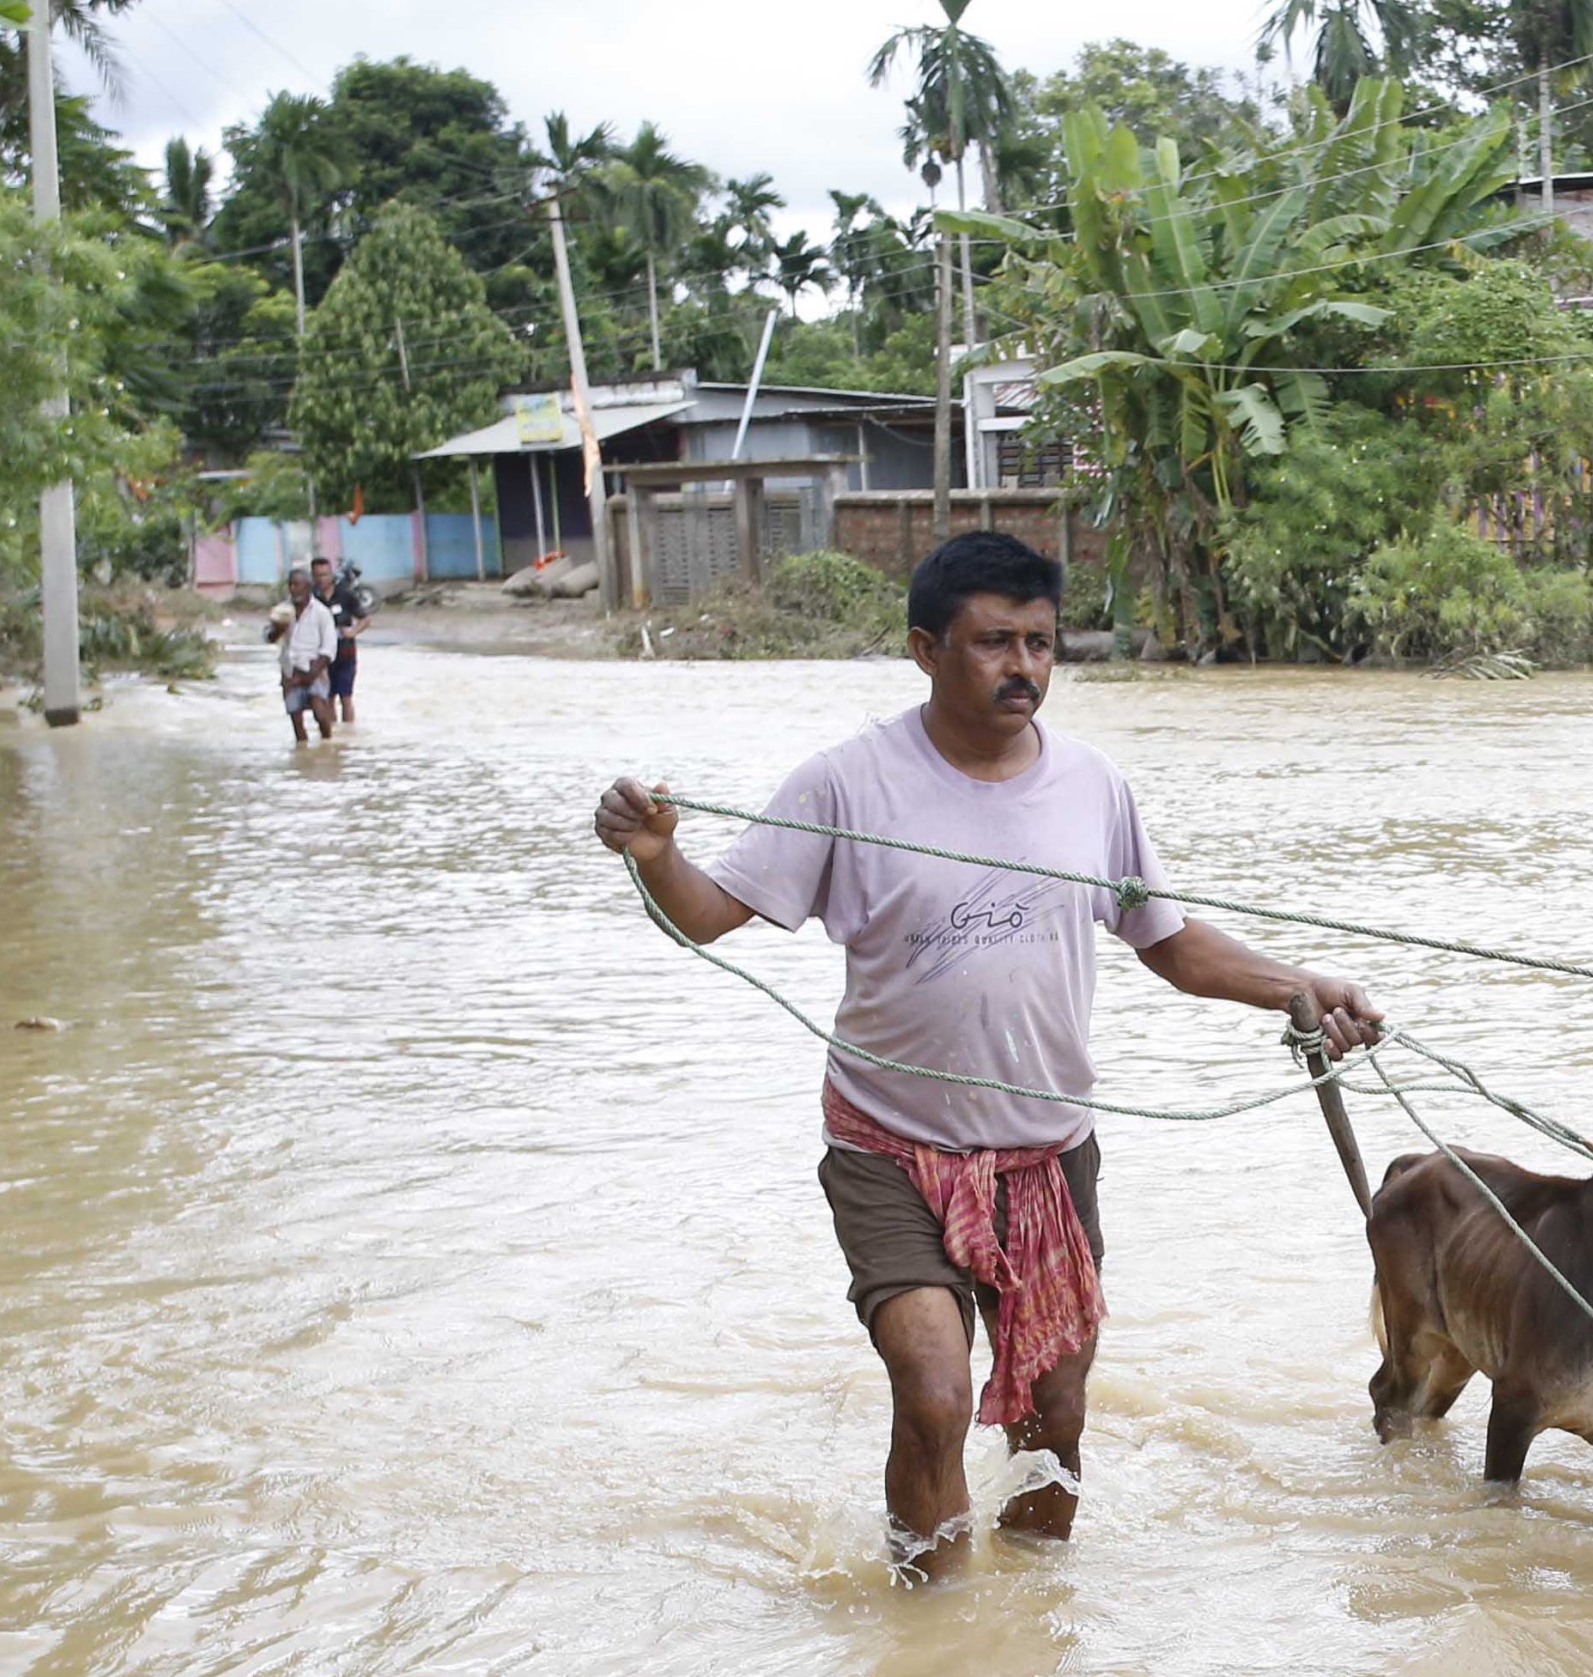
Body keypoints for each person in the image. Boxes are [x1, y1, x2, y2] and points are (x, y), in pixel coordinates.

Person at [592, 530, 1384, 1583]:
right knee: (932, 1391)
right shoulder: (844, 782)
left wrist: (1298, 986)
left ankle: (1031, 1627)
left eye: (1042, 643)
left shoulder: (1093, 787)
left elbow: (1173, 944)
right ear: (924, 648)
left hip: (1046, 1153)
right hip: (890, 1146)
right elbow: (710, 915)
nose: (1024, 667)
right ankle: (930, 1633)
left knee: (1055, 1415)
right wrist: (657, 856)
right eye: (993, 642)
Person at [273, 576, 339, 743]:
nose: (294, 589)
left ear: (308, 586)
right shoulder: (282, 611)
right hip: (291, 670)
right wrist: (279, 630)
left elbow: (329, 648)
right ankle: (302, 756)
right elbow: (268, 637)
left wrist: (312, 674)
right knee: (296, 719)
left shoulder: (322, 612)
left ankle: (327, 744)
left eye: (298, 584)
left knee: (320, 711)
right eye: (291, 585)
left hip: (315, 668)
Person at [318, 553, 373, 728]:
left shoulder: (345, 594)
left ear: (331, 574)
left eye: (325, 575)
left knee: (346, 696)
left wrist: (353, 631)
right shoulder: (311, 598)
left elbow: (365, 619)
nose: (321, 579)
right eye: (317, 576)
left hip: (345, 653)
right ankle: (333, 736)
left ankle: (349, 733)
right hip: (322, 655)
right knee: (327, 697)